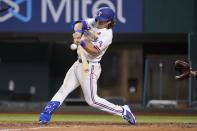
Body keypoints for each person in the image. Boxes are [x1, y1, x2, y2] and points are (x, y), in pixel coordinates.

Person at [39, 7, 136, 125]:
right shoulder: (94, 21)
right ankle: (46, 112)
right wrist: (78, 33)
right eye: (99, 19)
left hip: (90, 67)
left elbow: (95, 51)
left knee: (92, 100)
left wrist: (82, 42)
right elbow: (78, 24)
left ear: (109, 21)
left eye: (103, 20)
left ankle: (123, 111)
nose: (99, 22)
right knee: (64, 89)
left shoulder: (107, 35)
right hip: (78, 63)